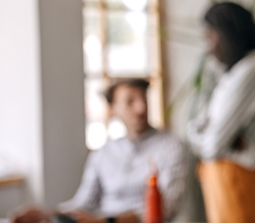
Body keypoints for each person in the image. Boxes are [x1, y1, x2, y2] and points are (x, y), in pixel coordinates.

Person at [10, 79, 187, 223]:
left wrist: (105, 221)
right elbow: (83, 204)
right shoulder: (103, 153)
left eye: (144, 99)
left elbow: (165, 209)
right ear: (113, 110)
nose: (141, 108)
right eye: (130, 102)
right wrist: (47, 214)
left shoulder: (171, 147)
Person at [188, 1, 255, 223]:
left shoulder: (252, 70)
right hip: (228, 183)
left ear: (228, 34)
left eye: (211, 37)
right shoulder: (233, 74)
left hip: (242, 183)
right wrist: (213, 136)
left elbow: (212, 145)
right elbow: (199, 127)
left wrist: (209, 135)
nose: (209, 47)